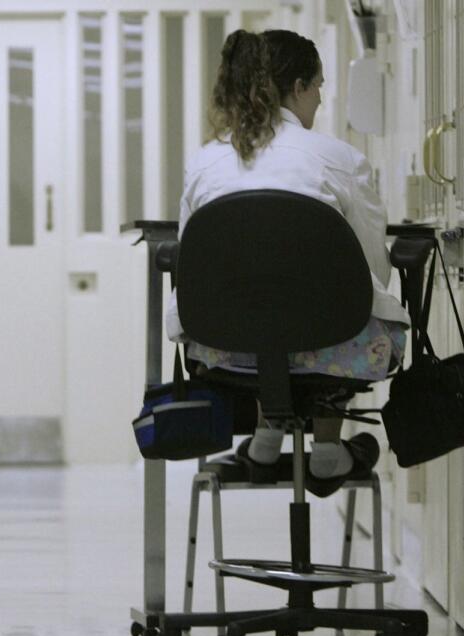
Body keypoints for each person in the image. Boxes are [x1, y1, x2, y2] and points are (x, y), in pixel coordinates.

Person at [166, 29, 410, 485]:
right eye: (317, 85)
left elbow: (193, 265)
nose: (319, 98)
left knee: (263, 305)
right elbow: (370, 270)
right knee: (334, 311)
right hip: (338, 348)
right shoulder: (340, 160)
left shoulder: (204, 162)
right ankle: (328, 450)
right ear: (297, 87)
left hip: (222, 348)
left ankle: (265, 438)